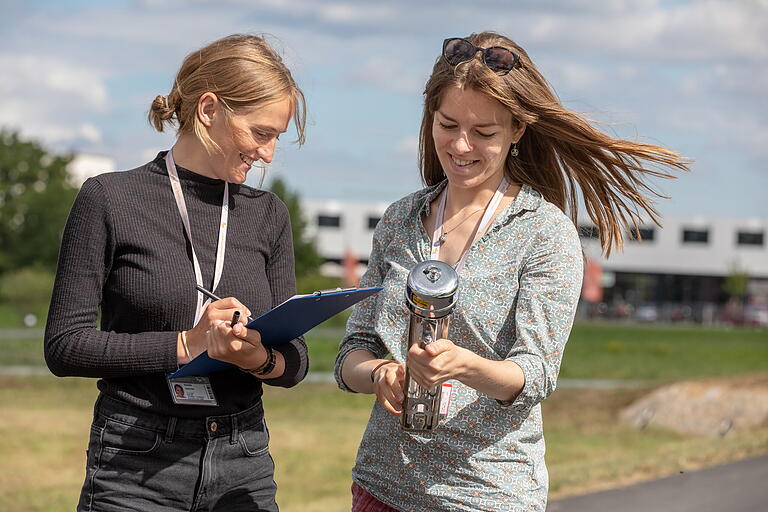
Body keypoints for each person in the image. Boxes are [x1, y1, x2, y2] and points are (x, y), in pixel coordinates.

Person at [335, 31, 690, 512]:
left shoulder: (545, 234)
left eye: (484, 132)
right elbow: (352, 352)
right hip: (383, 488)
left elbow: (535, 374)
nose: (461, 146)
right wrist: (381, 373)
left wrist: (463, 365)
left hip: (486, 496)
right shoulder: (400, 220)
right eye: (447, 124)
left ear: (518, 130)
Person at [45, 34, 308, 512]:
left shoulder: (269, 214)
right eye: (261, 133)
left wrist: (255, 358)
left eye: (276, 138)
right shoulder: (108, 199)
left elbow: (295, 362)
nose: (268, 154)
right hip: (135, 463)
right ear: (209, 109)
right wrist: (188, 344)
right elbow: (65, 346)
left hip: (242, 458)